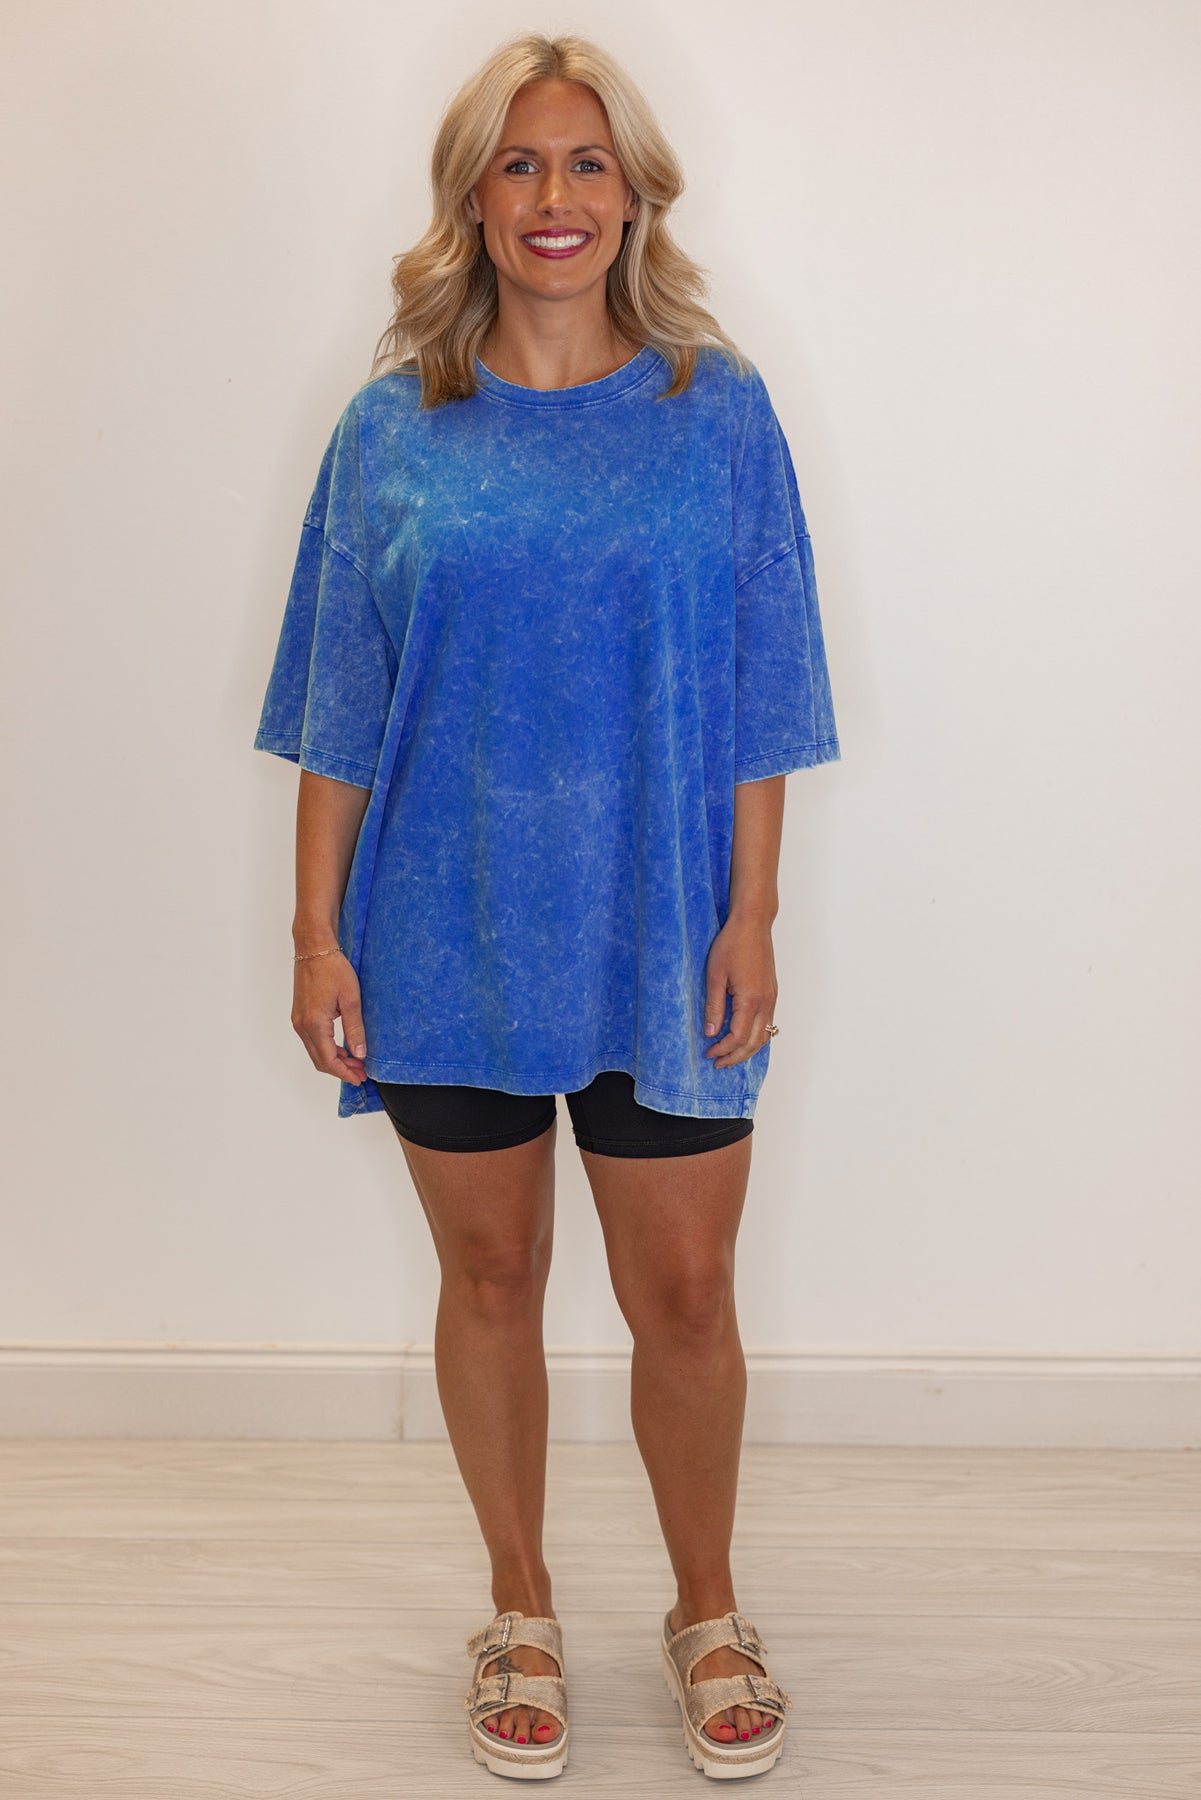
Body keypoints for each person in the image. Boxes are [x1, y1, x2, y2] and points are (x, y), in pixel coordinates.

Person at [253, 30, 841, 1782]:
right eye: (519, 164)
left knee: (688, 1297)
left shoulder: (713, 413)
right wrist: (316, 933)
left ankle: (705, 1607)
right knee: (492, 1275)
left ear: (637, 196)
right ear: (472, 200)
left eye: (587, 163)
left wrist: (753, 913)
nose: (555, 196)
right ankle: (517, 1604)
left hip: (665, 931)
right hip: (443, 925)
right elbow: (339, 702)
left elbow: (765, 682)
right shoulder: (393, 429)